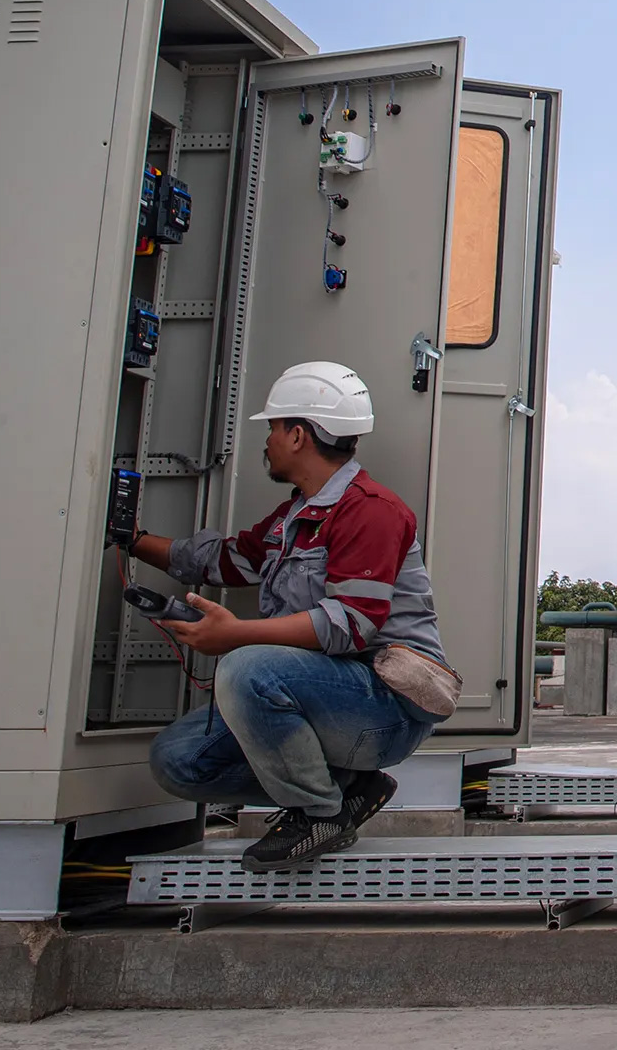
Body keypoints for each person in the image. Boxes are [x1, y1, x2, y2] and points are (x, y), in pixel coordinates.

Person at [123, 360, 456, 872]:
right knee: (178, 761)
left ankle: (316, 814)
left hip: (384, 708)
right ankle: (347, 790)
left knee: (246, 667)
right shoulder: (295, 516)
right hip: (328, 700)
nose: (269, 441)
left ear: (298, 435)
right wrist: (131, 539)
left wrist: (233, 636)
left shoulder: (371, 511)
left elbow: (349, 624)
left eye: (274, 429)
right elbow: (224, 560)